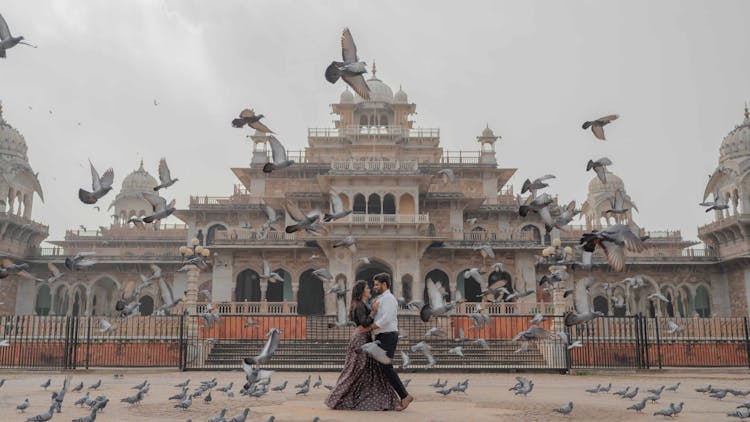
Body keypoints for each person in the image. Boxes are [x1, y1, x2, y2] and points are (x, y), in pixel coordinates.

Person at [325, 281, 400, 411]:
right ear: (362, 291)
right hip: (360, 339)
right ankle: (336, 397)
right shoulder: (359, 305)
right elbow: (365, 323)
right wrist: (374, 311)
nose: (370, 289)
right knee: (356, 370)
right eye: (367, 288)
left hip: (364, 338)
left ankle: (371, 400)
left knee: (367, 370)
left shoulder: (361, 304)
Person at [368, 273, 414, 410]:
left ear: (384, 284)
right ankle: (386, 398)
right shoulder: (381, 298)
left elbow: (386, 319)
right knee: (381, 368)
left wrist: (370, 327)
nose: (374, 287)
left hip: (388, 336)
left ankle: (404, 395)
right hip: (382, 336)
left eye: (377, 284)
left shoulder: (388, 298)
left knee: (386, 367)